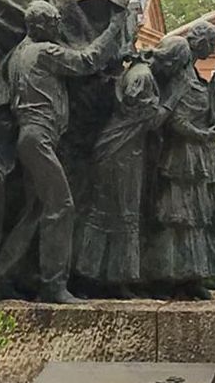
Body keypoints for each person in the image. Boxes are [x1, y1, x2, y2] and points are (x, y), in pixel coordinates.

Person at [0, 0, 124, 304]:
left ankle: (0, 278)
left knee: (36, 210)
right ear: (39, 26)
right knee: (61, 206)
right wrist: (114, 28)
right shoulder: (43, 52)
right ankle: (53, 285)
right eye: (52, 23)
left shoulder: (17, 54)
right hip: (39, 138)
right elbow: (87, 60)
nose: (57, 28)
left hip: (32, 138)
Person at [74, 36, 192, 297]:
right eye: (179, 66)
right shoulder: (142, 77)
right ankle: (101, 278)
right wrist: (175, 95)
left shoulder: (142, 72)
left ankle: (110, 277)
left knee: (116, 214)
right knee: (117, 214)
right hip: (120, 151)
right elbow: (150, 120)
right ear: (171, 62)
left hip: (127, 150)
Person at [145, 21, 215, 300]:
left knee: (198, 217)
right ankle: (170, 277)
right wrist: (202, 134)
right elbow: (175, 119)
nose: (214, 49)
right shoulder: (180, 68)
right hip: (183, 155)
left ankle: (192, 276)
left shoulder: (193, 72)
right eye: (213, 44)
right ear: (201, 41)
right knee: (179, 218)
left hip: (200, 156)